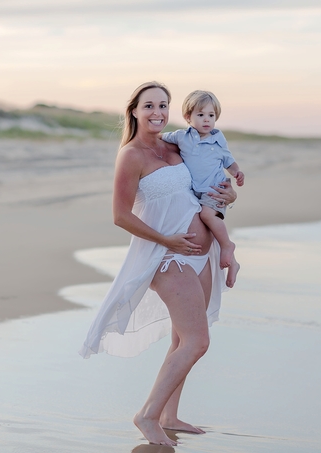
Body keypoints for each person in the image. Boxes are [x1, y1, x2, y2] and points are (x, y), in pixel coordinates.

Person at [78, 81, 238, 447]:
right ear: (134, 110)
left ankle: (169, 415)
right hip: (166, 257)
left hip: (201, 255)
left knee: (181, 338)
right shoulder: (131, 155)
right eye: (149, 105)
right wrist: (167, 241)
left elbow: (208, 184)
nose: (157, 113)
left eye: (163, 105)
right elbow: (120, 216)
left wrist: (229, 193)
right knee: (198, 342)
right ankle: (147, 414)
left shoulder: (177, 144)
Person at [162, 90, 244, 272]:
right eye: (200, 115)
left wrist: (237, 172)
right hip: (195, 191)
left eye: (211, 115)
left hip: (215, 188)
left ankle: (227, 245)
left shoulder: (218, 139)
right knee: (204, 223)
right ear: (188, 117)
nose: (207, 120)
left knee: (207, 216)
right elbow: (159, 138)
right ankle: (233, 264)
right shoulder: (181, 137)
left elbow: (229, 161)